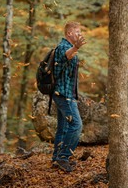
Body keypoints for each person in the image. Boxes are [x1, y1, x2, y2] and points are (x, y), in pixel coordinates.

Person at [52, 21, 87, 172]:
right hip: (63, 95)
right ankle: (63, 157)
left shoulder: (69, 48)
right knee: (76, 125)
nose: (79, 34)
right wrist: (76, 47)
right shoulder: (63, 47)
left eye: (80, 31)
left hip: (66, 94)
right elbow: (66, 56)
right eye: (77, 31)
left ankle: (56, 158)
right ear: (69, 34)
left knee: (63, 127)